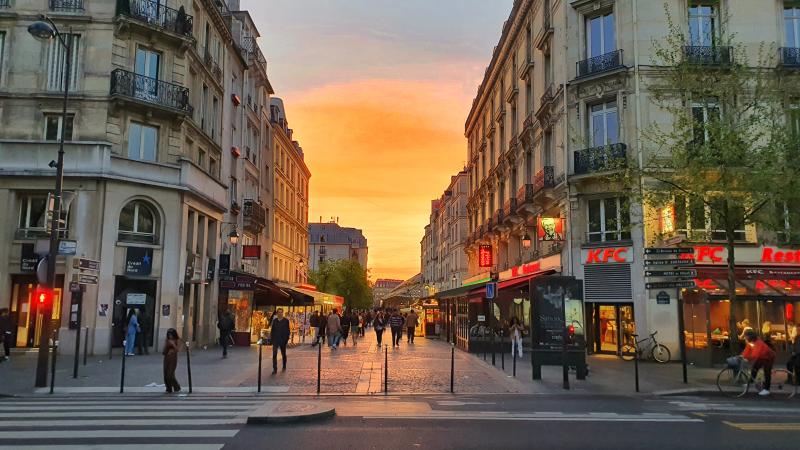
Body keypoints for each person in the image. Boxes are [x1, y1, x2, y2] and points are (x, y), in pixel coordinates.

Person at [741, 329, 776, 396]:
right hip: (762, 357)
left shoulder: (758, 343)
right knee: (754, 368)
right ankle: (750, 382)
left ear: (750, 336)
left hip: (769, 358)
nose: (745, 338)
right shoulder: (750, 343)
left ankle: (767, 389)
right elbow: (747, 351)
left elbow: (756, 354)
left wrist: (747, 358)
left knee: (767, 372)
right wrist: (742, 356)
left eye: (746, 336)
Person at [270, 308, 290, 373]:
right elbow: (272, 330)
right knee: (274, 354)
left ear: (282, 313)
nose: (280, 313)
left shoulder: (286, 321)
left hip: (282, 340)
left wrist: (286, 340)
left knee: (283, 354)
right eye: (279, 312)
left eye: (281, 312)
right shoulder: (275, 321)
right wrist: (272, 339)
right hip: (275, 340)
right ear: (277, 313)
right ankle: (274, 369)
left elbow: (288, 331)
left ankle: (284, 365)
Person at [162, 328, 181, 393]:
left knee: (170, 374)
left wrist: (173, 344)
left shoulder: (177, 340)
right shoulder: (167, 340)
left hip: (173, 359)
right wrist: (167, 345)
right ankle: (168, 388)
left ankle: (176, 386)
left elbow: (177, 349)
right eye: (168, 334)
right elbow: (164, 352)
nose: (170, 336)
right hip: (167, 358)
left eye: (171, 334)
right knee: (166, 373)